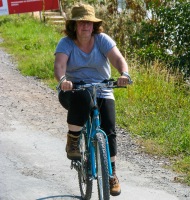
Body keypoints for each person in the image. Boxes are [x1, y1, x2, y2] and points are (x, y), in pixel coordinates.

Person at [54, 3, 131, 196]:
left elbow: (118, 59)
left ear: (94, 25)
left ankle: (111, 174)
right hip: (74, 90)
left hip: (102, 89)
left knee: (109, 129)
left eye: (88, 23)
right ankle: (73, 141)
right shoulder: (66, 43)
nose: (85, 27)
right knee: (82, 98)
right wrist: (63, 80)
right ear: (74, 26)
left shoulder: (102, 40)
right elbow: (59, 65)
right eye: (81, 23)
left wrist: (124, 73)